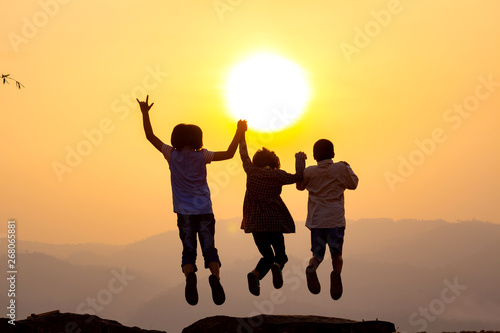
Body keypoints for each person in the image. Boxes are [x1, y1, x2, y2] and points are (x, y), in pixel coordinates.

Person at [137, 95, 247, 306]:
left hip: (184, 213)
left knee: (189, 250)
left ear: (176, 138)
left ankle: (190, 277)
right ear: (198, 138)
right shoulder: (202, 155)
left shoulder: (171, 154)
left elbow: (150, 136)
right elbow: (230, 153)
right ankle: (215, 277)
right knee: (209, 248)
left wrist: (145, 114)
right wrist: (239, 132)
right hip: (204, 210)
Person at [239, 130, 306, 296]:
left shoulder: (251, 171)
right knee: (280, 255)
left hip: (256, 224)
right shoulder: (278, 175)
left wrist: (241, 133)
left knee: (267, 256)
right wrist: (300, 159)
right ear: (275, 162)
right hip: (274, 223)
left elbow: (243, 153)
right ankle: (278, 266)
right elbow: (298, 177)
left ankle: (255, 275)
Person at [296, 139, 358, 300]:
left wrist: (300, 164)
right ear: (333, 153)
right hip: (334, 221)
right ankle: (336, 273)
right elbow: (354, 184)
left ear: (315, 155)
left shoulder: (310, 172)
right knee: (336, 254)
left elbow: (300, 186)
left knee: (317, 255)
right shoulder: (341, 168)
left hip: (316, 221)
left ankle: (312, 268)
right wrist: (348, 166)